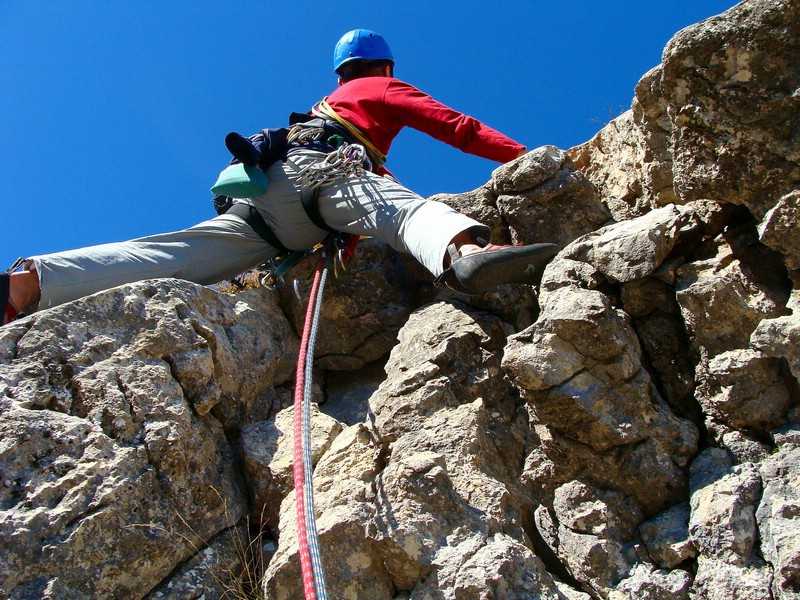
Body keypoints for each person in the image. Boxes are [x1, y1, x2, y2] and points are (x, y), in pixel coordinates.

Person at [1, 29, 557, 326]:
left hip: (265, 205)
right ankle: (462, 253)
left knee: (171, 253)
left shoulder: (320, 109)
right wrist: (526, 156)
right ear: (383, 68)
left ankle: (29, 285)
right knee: (400, 208)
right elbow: (455, 127)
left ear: (341, 70)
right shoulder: (380, 90)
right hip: (328, 179)